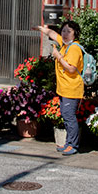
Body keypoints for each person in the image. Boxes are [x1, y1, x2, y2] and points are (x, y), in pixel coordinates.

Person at [34, 21, 83, 156]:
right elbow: (53, 34)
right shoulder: (65, 44)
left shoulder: (74, 48)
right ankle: (68, 143)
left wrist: (58, 56)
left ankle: (73, 145)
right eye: (64, 31)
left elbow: (71, 68)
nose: (65, 34)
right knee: (66, 116)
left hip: (72, 89)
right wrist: (40, 28)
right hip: (64, 88)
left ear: (75, 34)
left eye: (69, 31)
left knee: (69, 116)